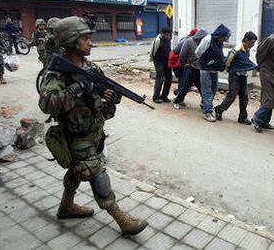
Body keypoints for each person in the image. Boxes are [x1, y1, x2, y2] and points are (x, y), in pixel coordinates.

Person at [38, 16, 148, 236]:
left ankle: (66, 207)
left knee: (77, 172)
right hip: (76, 135)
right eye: (85, 39)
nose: (91, 43)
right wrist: (78, 87)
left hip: (94, 132)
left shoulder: (91, 68)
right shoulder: (57, 73)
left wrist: (111, 96)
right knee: (95, 173)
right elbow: (47, 104)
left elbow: (103, 93)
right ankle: (122, 220)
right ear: (71, 41)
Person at [214, 31, 258, 124]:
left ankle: (242, 117)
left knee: (244, 97)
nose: (253, 45)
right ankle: (219, 110)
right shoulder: (236, 50)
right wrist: (232, 69)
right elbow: (227, 62)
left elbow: (245, 62)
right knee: (232, 95)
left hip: (243, 75)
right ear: (246, 40)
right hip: (234, 75)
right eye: (252, 42)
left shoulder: (247, 49)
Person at [195, 24, 231, 122]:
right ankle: (207, 112)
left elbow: (219, 54)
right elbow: (198, 52)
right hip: (205, 68)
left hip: (214, 69)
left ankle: (204, 104)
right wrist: (206, 60)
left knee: (214, 89)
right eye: (224, 37)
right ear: (220, 35)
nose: (224, 40)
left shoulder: (219, 42)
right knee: (207, 90)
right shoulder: (208, 39)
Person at [172, 29, 208, 110]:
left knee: (202, 87)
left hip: (199, 68)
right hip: (190, 67)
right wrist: (187, 63)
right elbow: (182, 54)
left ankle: (205, 103)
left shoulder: (203, 43)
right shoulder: (189, 41)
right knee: (186, 87)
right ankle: (177, 101)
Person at [172, 28, 199, 96]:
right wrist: (185, 62)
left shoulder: (187, 38)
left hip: (183, 64)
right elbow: (176, 51)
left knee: (184, 81)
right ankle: (179, 98)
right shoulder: (186, 41)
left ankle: (178, 92)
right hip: (181, 64)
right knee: (182, 80)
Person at [150, 26, 172, 103]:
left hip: (167, 62)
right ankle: (155, 97)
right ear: (162, 33)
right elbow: (152, 51)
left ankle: (164, 96)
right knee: (160, 79)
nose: (168, 36)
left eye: (169, 34)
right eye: (166, 34)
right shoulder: (157, 40)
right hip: (159, 62)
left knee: (169, 79)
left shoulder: (168, 39)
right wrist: (154, 60)